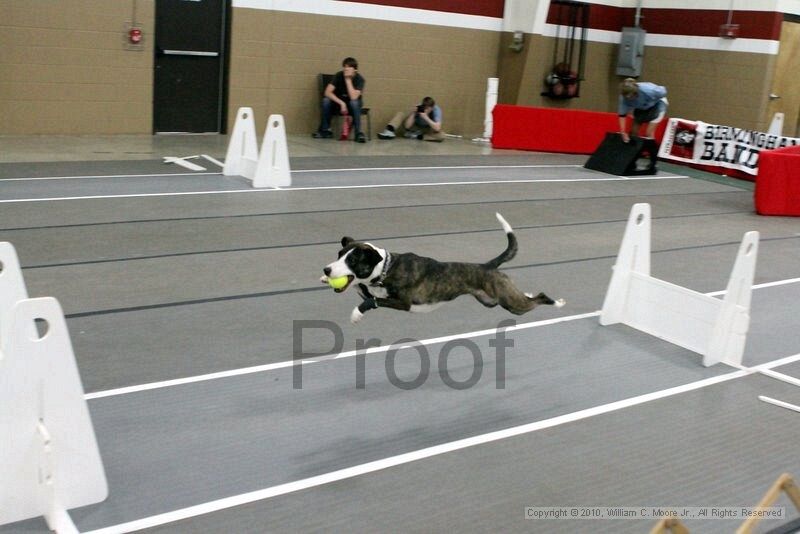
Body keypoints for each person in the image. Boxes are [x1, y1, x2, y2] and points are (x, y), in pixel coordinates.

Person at [313, 57, 366, 143]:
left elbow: (353, 97)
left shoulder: (360, 79)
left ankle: (358, 133)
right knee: (326, 101)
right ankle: (325, 130)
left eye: (349, 67)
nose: (346, 69)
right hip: (339, 104)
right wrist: (341, 103)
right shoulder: (338, 75)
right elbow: (327, 92)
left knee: (354, 103)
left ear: (355, 70)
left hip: (353, 107)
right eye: (345, 66)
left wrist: (348, 80)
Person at [617, 78, 668, 143]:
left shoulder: (649, 90)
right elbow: (622, 115)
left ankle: (653, 150)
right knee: (633, 133)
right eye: (627, 98)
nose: (629, 99)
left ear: (636, 92)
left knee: (648, 133)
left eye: (631, 96)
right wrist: (623, 132)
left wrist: (653, 102)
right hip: (642, 107)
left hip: (658, 104)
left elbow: (664, 91)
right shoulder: (623, 98)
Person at [377, 97, 444, 142]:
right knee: (400, 114)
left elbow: (437, 128)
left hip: (425, 129)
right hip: (415, 126)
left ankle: (417, 136)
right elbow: (407, 126)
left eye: (428, 109)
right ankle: (389, 132)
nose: (425, 110)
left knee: (441, 136)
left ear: (432, 108)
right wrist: (413, 113)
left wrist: (425, 117)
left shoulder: (436, 110)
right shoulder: (420, 107)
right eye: (424, 108)